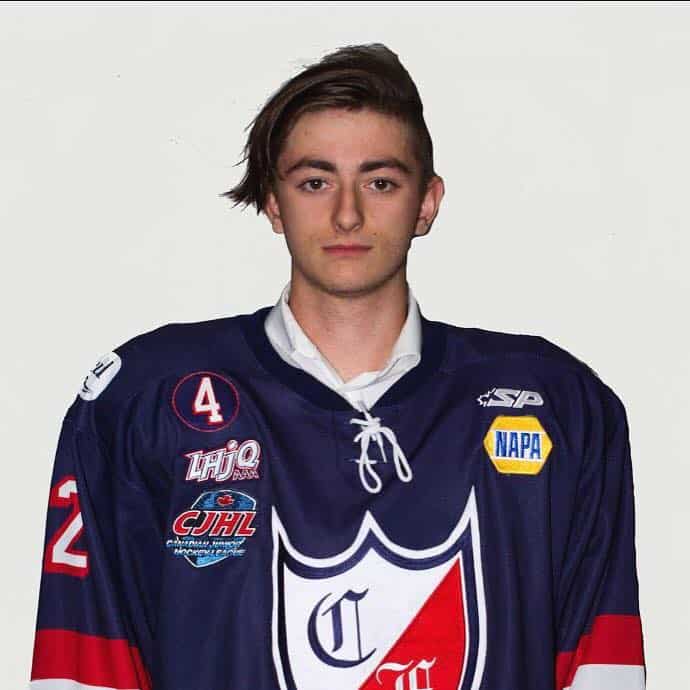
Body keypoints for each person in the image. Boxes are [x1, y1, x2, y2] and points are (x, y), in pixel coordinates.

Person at [30, 43, 645, 690]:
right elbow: (84, 666)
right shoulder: (143, 396)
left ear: (427, 202)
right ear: (274, 202)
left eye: (380, 183)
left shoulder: (557, 400)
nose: (347, 214)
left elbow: (602, 668)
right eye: (315, 182)